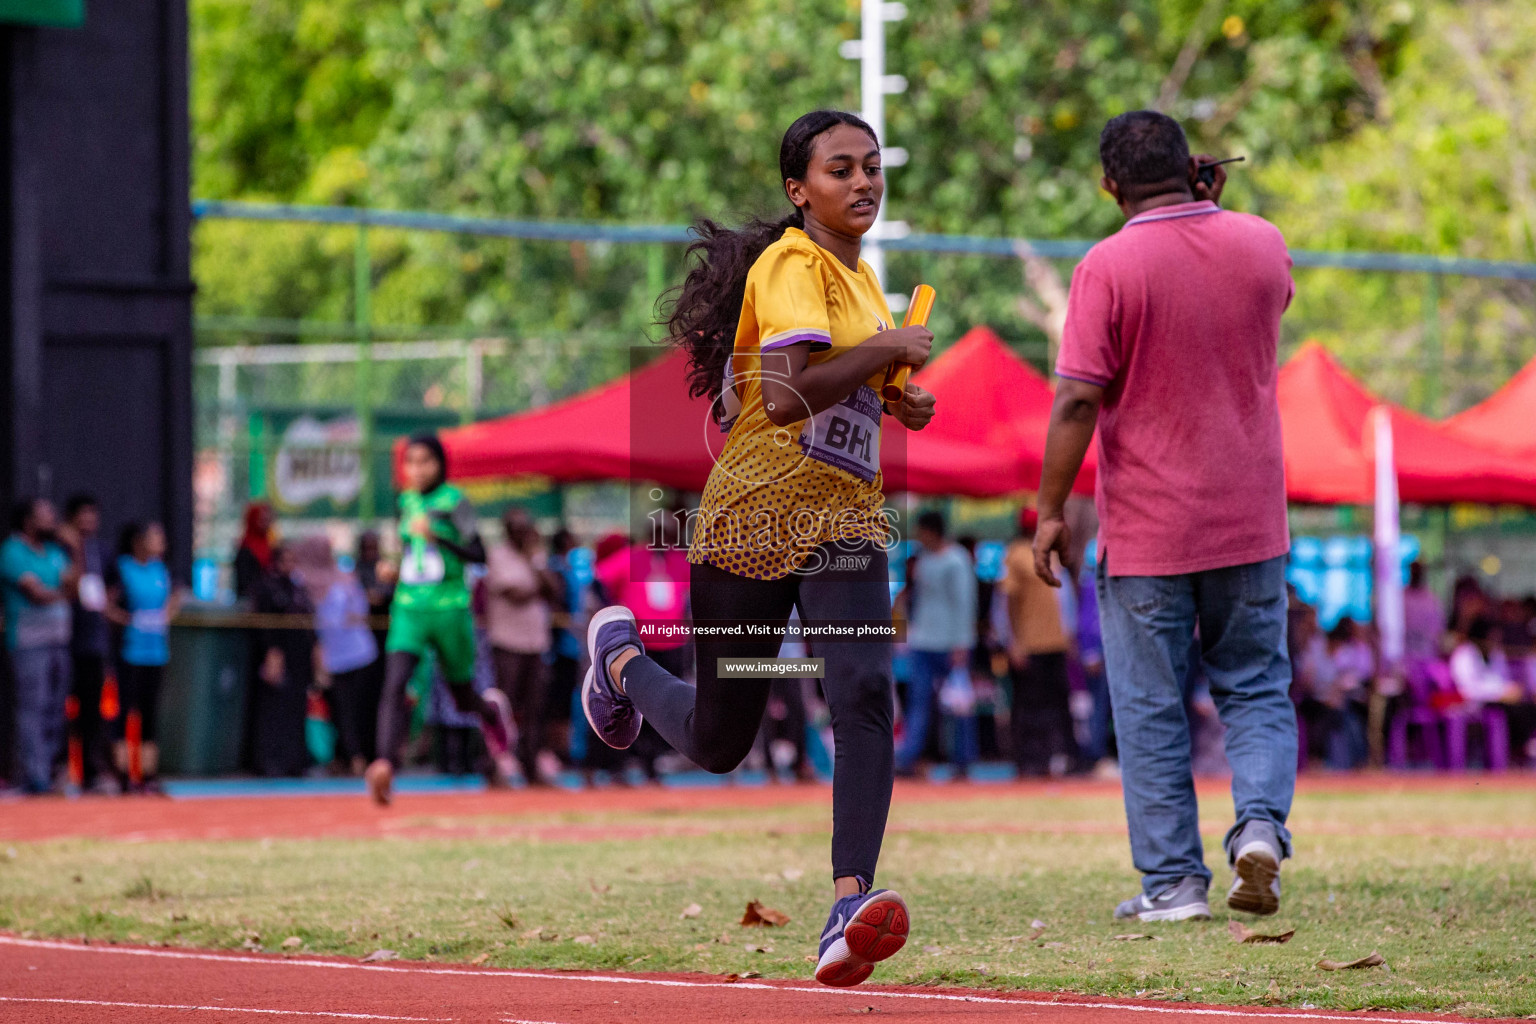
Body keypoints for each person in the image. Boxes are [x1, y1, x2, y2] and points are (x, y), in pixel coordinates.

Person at [578, 110, 935, 986]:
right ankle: (620, 661)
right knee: (719, 736)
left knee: (861, 693)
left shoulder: (863, 284)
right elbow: (780, 399)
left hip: (846, 521)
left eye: (872, 167)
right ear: (797, 190)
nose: (863, 183)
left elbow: (843, 391)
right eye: (840, 169)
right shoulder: (788, 265)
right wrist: (887, 351)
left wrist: (898, 401)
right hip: (757, 515)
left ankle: (850, 903)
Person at [1034, 110, 1297, 922]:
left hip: (1149, 532)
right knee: (1254, 688)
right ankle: (1258, 826)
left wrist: (1048, 512)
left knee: (1150, 706)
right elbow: (1259, 298)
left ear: (1109, 186)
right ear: (1195, 166)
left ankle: (1174, 885)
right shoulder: (1262, 242)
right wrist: (1211, 204)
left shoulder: (1107, 266)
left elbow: (1080, 396)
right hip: (1251, 521)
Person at [365, 434, 516, 805]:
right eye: (410, 462)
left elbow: (478, 553)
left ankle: (488, 711)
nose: (416, 470)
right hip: (409, 607)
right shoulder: (405, 502)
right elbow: (407, 552)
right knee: (395, 683)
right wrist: (392, 569)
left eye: (425, 461)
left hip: (449, 608)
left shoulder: (455, 501)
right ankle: (384, 765)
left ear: (440, 464)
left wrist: (439, 538)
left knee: (462, 697)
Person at [2, 498, 77, 795]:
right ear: (28, 521)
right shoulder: (12, 551)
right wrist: (63, 593)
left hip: (59, 641)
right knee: (32, 708)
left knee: (55, 709)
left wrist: (77, 548)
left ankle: (47, 770)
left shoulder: (56, 553)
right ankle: (32, 777)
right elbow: (36, 595)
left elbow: (76, 586)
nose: (53, 522)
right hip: (28, 643)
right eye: (45, 516)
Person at [896, 511, 977, 777]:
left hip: (951, 642)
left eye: (921, 531)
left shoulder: (956, 560)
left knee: (959, 703)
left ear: (932, 532)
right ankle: (910, 757)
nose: (918, 537)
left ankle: (963, 759)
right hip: (923, 641)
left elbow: (964, 603)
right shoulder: (924, 561)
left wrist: (961, 643)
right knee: (918, 703)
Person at [999, 508, 1078, 777]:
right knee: (1029, 705)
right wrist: (1013, 642)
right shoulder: (1016, 555)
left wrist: (1070, 633)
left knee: (1058, 703)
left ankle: (1059, 756)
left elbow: (1063, 598)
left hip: (1055, 642)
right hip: (1029, 644)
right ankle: (1030, 759)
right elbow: (1006, 603)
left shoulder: (1052, 554)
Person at [485, 508, 558, 785]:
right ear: (506, 530)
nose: (522, 532)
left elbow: (554, 589)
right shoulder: (497, 555)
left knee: (536, 707)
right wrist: (537, 586)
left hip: (536, 642)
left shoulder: (535, 555)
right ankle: (496, 766)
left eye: (525, 527)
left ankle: (531, 765)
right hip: (507, 642)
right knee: (504, 708)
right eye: (516, 527)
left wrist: (534, 565)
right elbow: (514, 594)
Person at [295, 536, 378, 775]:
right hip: (329, 657)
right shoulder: (301, 581)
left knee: (356, 709)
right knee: (336, 710)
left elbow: (360, 611)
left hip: (358, 654)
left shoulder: (344, 577)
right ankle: (343, 757)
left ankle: (358, 757)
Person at [106, 522, 179, 792]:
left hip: (156, 650)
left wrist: (164, 617)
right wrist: (127, 620)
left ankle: (147, 776)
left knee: (150, 713)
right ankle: (123, 774)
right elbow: (105, 602)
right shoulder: (123, 567)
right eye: (155, 537)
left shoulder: (160, 569)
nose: (161, 541)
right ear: (139, 541)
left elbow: (174, 597)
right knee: (125, 711)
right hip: (129, 650)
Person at [60, 494, 114, 793]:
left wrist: (110, 604)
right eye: (83, 515)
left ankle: (91, 773)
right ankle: (60, 770)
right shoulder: (60, 550)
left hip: (94, 644)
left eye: (93, 515)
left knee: (94, 712)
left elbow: (114, 584)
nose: (89, 521)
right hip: (65, 640)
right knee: (60, 711)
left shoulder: (102, 551)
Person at [251, 543, 316, 778]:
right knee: (273, 710)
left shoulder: (298, 588)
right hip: (278, 654)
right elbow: (265, 623)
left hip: (299, 657)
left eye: (293, 560)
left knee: (296, 708)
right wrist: (272, 653)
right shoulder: (266, 587)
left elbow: (310, 620)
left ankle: (294, 761)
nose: (290, 565)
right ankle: (270, 762)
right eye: (285, 560)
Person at [234, 502, 275, 602]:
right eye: (262, 520)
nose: (266, 524)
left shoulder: (269, 545)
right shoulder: (246, 550)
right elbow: (244, 584)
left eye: (268, 520)